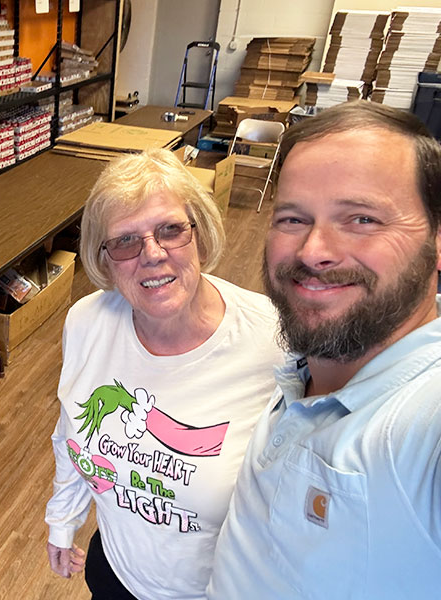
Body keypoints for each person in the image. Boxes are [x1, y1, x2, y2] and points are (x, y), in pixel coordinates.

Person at [207, 100, 441, 599]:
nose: (314, 250)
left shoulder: (424, 421)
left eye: (361, 218)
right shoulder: (303, 364)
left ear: (437, 240)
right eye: (293, 219)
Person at [44, 149, 284, 599]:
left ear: (200, 233)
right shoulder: (87, 321)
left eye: (171, 230)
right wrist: (63, 517)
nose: (152, 254)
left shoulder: (274, 341)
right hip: (114, 573)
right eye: (125, 241)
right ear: (106, 259)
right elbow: (72, 429)